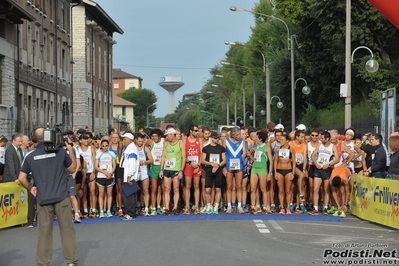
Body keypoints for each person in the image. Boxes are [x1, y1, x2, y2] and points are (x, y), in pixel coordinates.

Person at [18, 127, 78, 266]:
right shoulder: (60, 152)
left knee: (44, 232)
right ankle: (71, 262)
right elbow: (73, 169)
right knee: (67, 230)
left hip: (43, 197)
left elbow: (21, 178)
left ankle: (43, 262)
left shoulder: (30, 156)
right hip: (61, 196)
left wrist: (30, 188)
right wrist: (71, 153)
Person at [310, 131, 340, 215]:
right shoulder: (320, 145)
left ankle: (326, 207)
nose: (321, 139)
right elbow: (312, 155)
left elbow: (337, 159)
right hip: (318, 168)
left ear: (327, 139)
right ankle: (315, 208)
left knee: (326, 189)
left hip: (327, 169)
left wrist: (329, 165)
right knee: (316, 189)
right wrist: (316, 163)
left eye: (322, 138)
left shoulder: (333, 147)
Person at [159, 128, 186, 215]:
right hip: (167, 168)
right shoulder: (166, 143)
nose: (166, 137)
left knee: (176, 189)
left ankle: (175, 207)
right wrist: (161, 169)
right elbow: (163, 156)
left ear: (172, 135)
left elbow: (184, 158)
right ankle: (167, 207)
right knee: (167, 189)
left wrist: (181, 170)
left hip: (176, 169)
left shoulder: (181, 144)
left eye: (167, 135)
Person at [248, 130, 273, 214]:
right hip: (254, 168)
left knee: (263, 188)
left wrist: (270, 173)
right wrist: (250, 156)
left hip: (262, 169)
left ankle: (265, 207)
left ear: (260, 138)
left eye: (256, 137)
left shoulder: (266, 147)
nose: (255, 138)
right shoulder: (256, 146)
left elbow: (271, 161)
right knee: (253, 189)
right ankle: (253, 206)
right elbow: (255, 159)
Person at [201, 131, 226, 214]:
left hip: (218, 170)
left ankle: (216, 206)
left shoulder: (221, 148)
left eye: (218, 138)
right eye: (216, 138)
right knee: (207, 189)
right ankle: (208, 206)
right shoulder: (206, 148)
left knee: (218, 189)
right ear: (211, 138)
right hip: (208, 170)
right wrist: (211, 163)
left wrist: (218, 165)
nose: (217, 139)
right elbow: (203, 160)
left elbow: (224, 160)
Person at [183, 125, 203, 214]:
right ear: (191, 131)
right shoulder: (185, 140)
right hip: (189, 166)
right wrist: (190, 163)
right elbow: (183, 155)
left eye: (198, 130)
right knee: (187, 186)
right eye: (195, 130)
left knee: (196, 186)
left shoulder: (199, 140)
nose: (197, 132)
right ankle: (187, 206)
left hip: (197, 166)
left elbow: (202, 153)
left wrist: (198, 165)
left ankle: (196, 206)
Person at [274, 134, 296, 214]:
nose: (280, 141)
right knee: (280, 190)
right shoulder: (278, 149)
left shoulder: (291, 150)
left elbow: (293, 162)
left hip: (288, 170)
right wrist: (275, 172)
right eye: (280, 140)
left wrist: (293, 173)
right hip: (279, 170)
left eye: (282, 140)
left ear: (287, 141)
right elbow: (275, 161)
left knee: (288, 190)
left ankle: (288, 208)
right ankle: (282, 207)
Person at [119, 132, 140, 220]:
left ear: (130, 139)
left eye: (125, 138)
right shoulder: (129, 148)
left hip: (129, 175)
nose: (123, 140)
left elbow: (132, 163)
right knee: (128, 194)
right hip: (127, 174)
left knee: (128, 195)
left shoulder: (132, 149)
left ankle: (130, 214)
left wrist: (129, 175)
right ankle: (130, 213)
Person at [94, 139, 116, 218]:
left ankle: (108, 210)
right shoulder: (98, 154)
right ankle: (101, 211)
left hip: (110, 176)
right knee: (101, 194)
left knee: (109, 194)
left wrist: (110, 173)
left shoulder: (112, 153)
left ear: (108, 146)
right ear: (101, 146)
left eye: (106, 145)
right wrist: (104, 173)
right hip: (101, 176)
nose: (105, 147)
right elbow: (96, 166)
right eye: (103, 146)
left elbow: (114, 165)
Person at [135, 133, 154, 216]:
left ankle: (145, 208)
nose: (140, 143)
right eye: (139, 141)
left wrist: (144, 161)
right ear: (135, 140)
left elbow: (151, 160)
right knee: (135, 191)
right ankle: (136, 207)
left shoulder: (145, 148)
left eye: (142, 141)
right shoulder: (132, 148)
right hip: (135, 171)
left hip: (144, 171)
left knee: (145, 190)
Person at [149, 128, 164, 215]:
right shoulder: (150, 143)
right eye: (153, 136)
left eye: (156, 136)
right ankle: (153, 208)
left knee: (161, 189)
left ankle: (160, 206)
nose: (154, 138)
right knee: (154, 189)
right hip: (154, 167)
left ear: (159, 136)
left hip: (163, 167)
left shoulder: (164, 142)